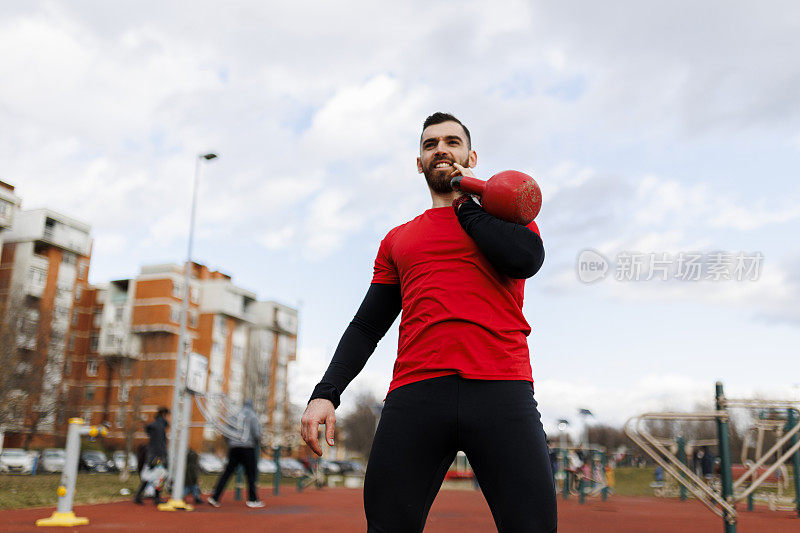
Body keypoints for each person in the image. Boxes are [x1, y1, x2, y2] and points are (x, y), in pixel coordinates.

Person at [300, 112, 555, 532]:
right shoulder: (399, 239)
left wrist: (465, 200)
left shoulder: (508, 218)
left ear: (471, 156)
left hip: (501, 391)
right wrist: (325, 393)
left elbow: (526, 260)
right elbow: (366, 326)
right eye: (430, 144)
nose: (441, 149)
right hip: (417, 395)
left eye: (452, 142)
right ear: (419, 163)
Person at [207, 400, 264, 508]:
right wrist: (257, 442)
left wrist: (231, 442)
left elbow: (226, 432)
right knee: (251, 474)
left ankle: (215, 497)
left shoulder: (234, 415)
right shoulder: (252, 415)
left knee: (227, 473)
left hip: (234, 448)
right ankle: (252, 499)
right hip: (247, 447)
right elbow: (257, 433)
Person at [134, 407, 170, 505]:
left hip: (152, 455)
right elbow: (159, 443)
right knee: (160, 475)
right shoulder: (160, 425)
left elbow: (148, 429)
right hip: (157, 455)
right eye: (168, 415)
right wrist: (162, 456)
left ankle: (140, 496)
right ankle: (156, 498)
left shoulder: (156, 425)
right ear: (164, 414)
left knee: (150, 475)